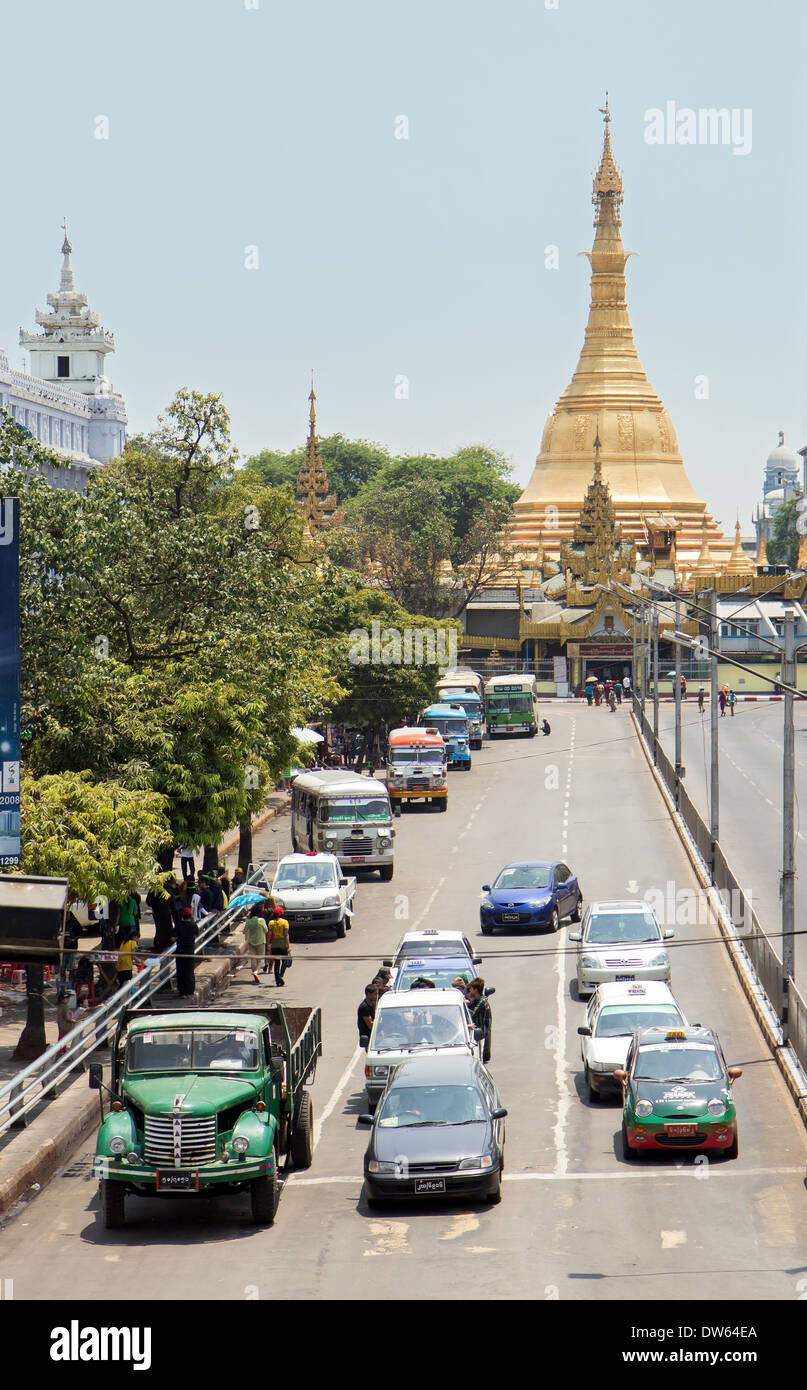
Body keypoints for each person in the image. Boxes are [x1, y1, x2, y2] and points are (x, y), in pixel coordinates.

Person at [174, 907, 198, 998]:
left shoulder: (178, 925)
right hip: (190, 951)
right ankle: (190, 990)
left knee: (181, 971)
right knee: (189, 971)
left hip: (180, 950)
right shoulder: (193, 925)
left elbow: (173, 937)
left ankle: (182, 991)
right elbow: (197, 933)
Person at [466, 978, 492, 1055]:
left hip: (481, 1032)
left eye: (470, 990)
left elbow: (472, 1014)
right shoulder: (477, 1000)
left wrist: (466, 1004)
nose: (469, 992)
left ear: (475, 990)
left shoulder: (482, 1001)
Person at [243, 909, 268, 985]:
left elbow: (244, 931)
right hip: (261, 941)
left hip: (251, 942)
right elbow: (266, 930)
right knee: (260, 959)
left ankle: (254, 974)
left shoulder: (249, 921)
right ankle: (256, 972)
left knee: (253, 959)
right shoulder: (262, 920)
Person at [268, 907, 291, 986]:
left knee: (277, 963)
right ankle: (281, 974)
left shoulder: (271, 923)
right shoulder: (285, 922)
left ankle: (277, 981)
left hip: (274, 944)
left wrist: (268, 944)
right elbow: (286, 934)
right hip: (282, 943)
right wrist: (288, 946)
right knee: (284, 961)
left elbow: (270, 935)